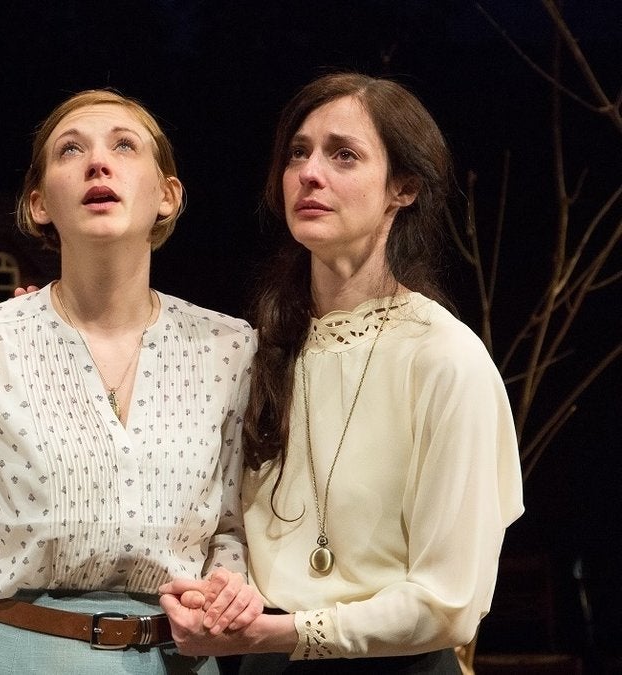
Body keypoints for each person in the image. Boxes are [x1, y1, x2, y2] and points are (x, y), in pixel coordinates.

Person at [0, 89, 260, 675]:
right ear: (39, 203)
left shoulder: (229, 347)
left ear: (168, 196)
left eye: (125, 146)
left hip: (178, 660)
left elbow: (231, 529)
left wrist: (224, 591)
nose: (99, 162)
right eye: (71, 149)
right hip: (23, 654)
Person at [158, 72, 525, 672]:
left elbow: (448, 604)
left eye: (343, 155)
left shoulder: (443, 359)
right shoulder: (260, 352)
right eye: (298, 152)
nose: (309, 172)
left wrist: (281, 633)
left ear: (402, 188)